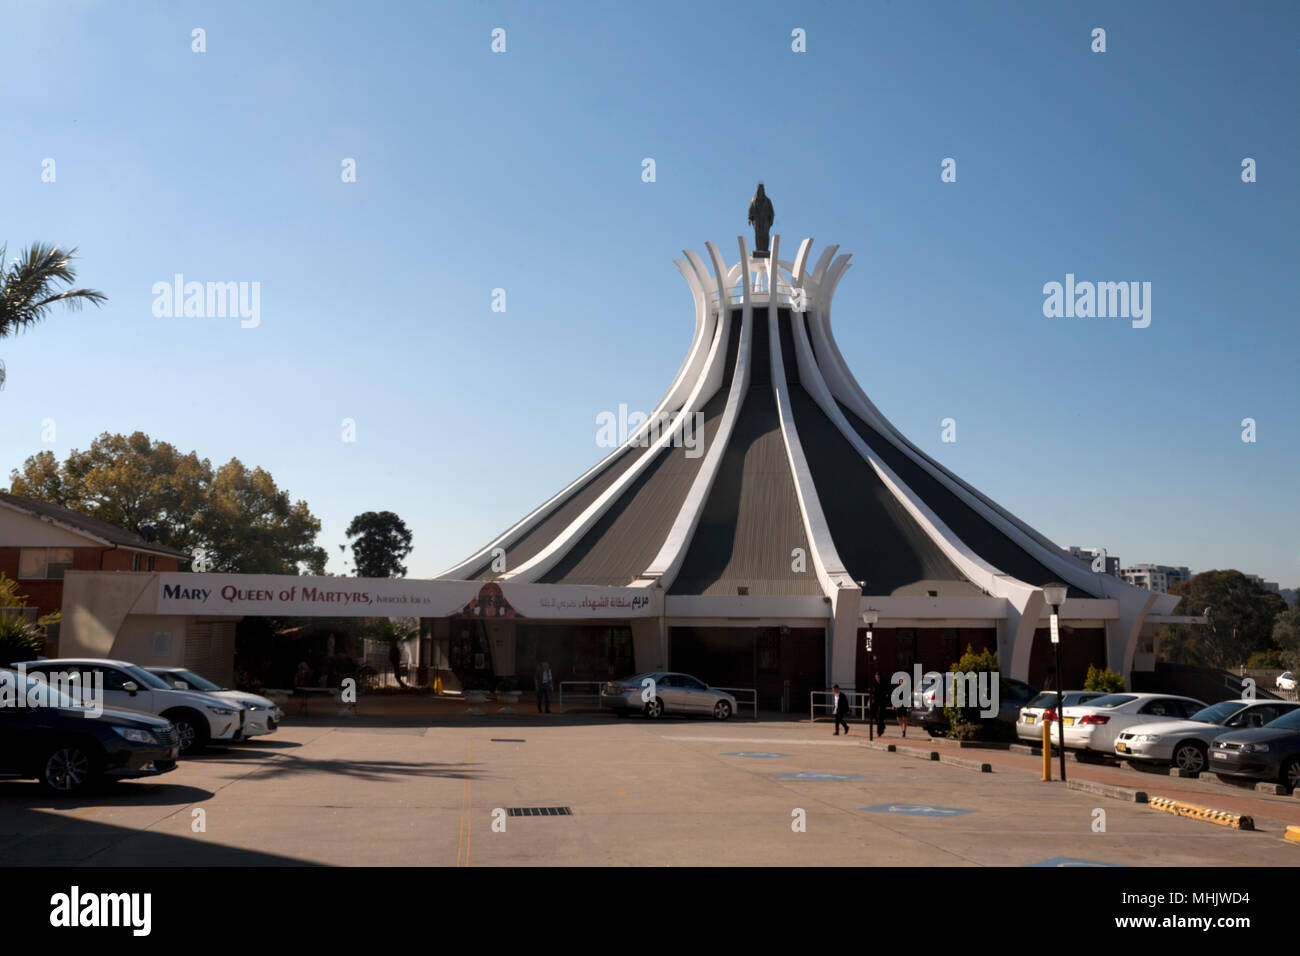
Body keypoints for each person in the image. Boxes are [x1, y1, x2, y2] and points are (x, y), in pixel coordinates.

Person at [870, 671, 888, 737]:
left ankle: (879, 732)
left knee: (880, 716)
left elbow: (887, 691)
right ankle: (882, 726)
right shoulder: (874, 683)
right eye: (876, 677)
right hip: (876, 701)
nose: (877, 678)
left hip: (882, 701)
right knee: (874, 713)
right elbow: (873, 691)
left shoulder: (884, 683)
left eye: (878, 677)